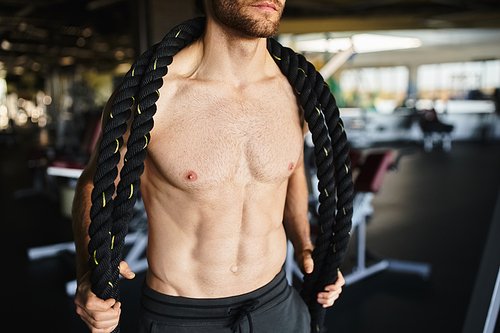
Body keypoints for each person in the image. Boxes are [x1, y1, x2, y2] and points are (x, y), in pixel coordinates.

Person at [72, 0, 345, 332]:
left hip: (278, 303)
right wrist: (89, 271)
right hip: (182, 314)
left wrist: (305, 244)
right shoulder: (154, 95)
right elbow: (95, 182)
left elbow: (291, 170)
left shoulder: (295, 92)